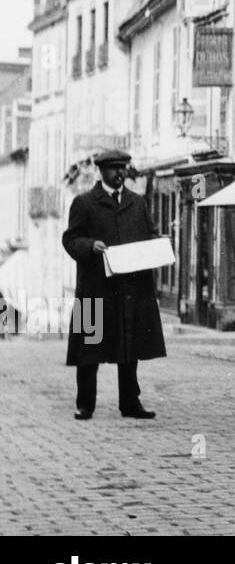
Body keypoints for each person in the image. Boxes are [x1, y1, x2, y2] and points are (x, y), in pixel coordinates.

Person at [62, 149, 167, 420]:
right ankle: (85, 404)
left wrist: (158, 245)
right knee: (89, 349)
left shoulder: (138, 202)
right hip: (94, 289)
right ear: (101, 171)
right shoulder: (84, 203)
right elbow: (70, 240)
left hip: (130, 289)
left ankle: (130, 403)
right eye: (113, 169)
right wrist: (90, 245)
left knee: (129, 349)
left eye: (122, 168)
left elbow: (150, 233)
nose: (119, 173)